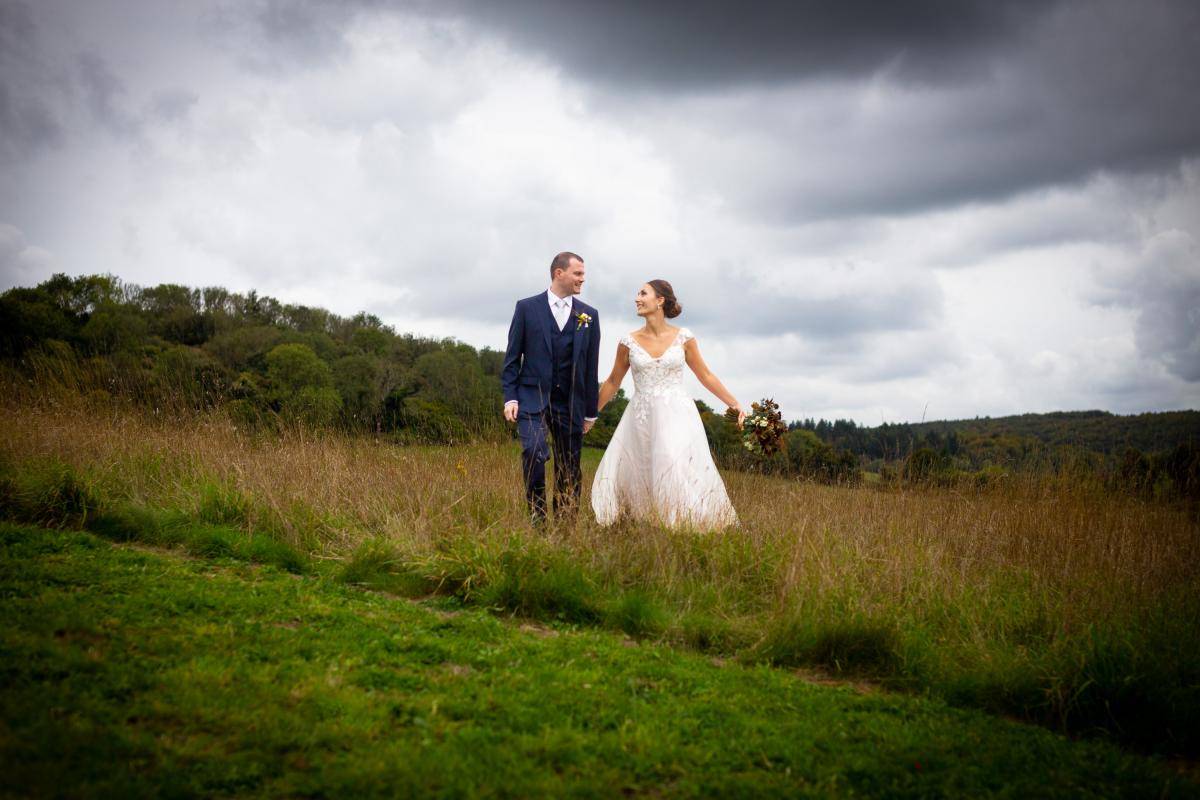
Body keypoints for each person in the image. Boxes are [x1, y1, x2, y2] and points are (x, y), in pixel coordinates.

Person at [591, 279, 743, 529]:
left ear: (660, 300)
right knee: (641, 468)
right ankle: (645, 522)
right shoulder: (627, 342)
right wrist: (590, 415)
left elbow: (705, 375)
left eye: (643, 293)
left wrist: (733, 403)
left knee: (673, 462)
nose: (637, 298)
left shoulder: (684, 338)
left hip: (677, 414)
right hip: (641, 416)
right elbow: (612, 382)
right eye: (637, 294)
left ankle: (682, 524)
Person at [501, 252, 601, 524]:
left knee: (569, 466)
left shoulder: (589, 316)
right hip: (531, 397)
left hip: (570, 403)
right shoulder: (526, 308)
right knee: (533, 450)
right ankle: (538, 515)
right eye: (578, 273)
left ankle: (566, 523)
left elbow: (591, 368)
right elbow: (512, 359)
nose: (583, 278)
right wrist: (510, 397)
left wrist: (590, 412)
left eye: (583, 273)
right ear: (559, 273)